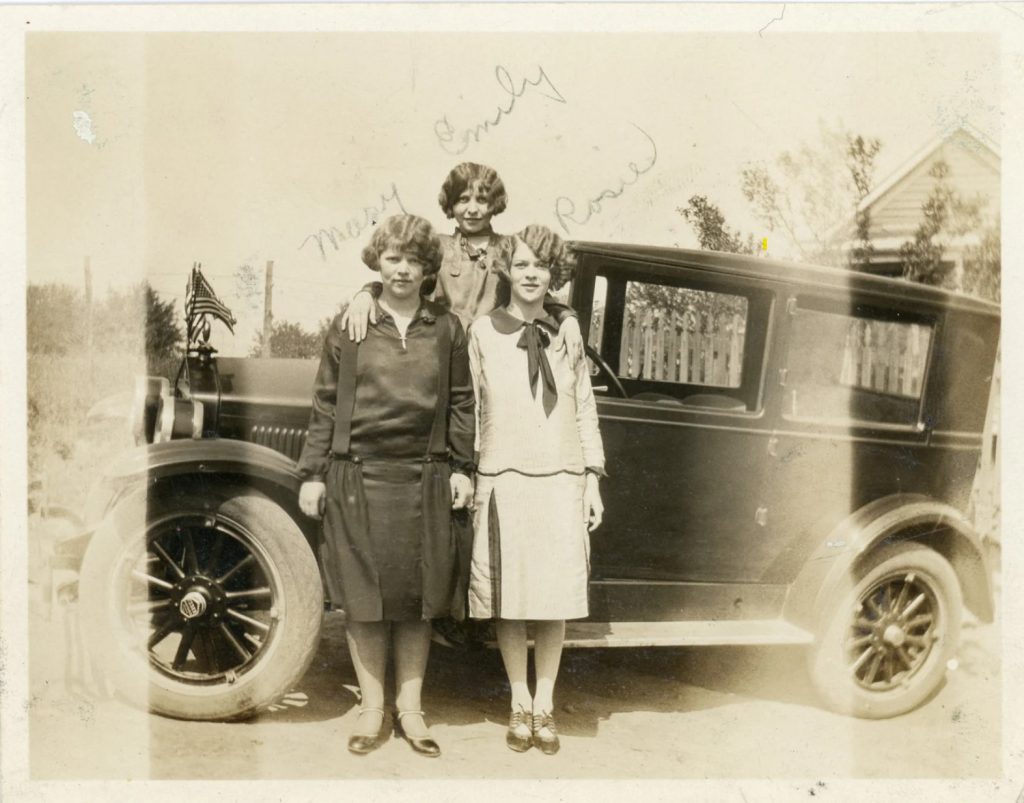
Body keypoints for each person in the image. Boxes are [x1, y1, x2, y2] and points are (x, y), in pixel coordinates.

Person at [296, 214, 475, 758]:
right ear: (378, 262)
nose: (402, 269)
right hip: (358, 474)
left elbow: (463, 401)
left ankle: (412, 711)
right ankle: (373, 709)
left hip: (425, 474)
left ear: (428, 270)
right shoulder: (351, 323)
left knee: (417, 600)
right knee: (364, 598)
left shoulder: (446, 329)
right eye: (392, 258)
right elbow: (326, 402)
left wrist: (463, 468)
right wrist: (311, 473)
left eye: (413, 260)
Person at [466, 224, 605, 755]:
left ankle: (546, 704)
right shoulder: (483, 333)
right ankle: (518, 701)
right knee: (512, 599)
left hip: (562, 478)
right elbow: (475, 409)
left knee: (554, 600)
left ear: (554, 275)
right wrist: (478, 476)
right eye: (521, 265)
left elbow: (584, 408)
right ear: (506, 270)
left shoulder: (567, 334)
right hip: (504, 477)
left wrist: (592, 478)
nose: (530, 274)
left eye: (540, 267)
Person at [340, 162, 584, 358]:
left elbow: (539, 291)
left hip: (494, 355)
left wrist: (568, 319)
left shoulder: (511, 248)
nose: (472, 209)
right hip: (440, 353)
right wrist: (366, 294)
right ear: (451, 204)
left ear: (494, 203)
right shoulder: (437, 246)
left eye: (482, 200)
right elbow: (400, 283)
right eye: (463, 199)